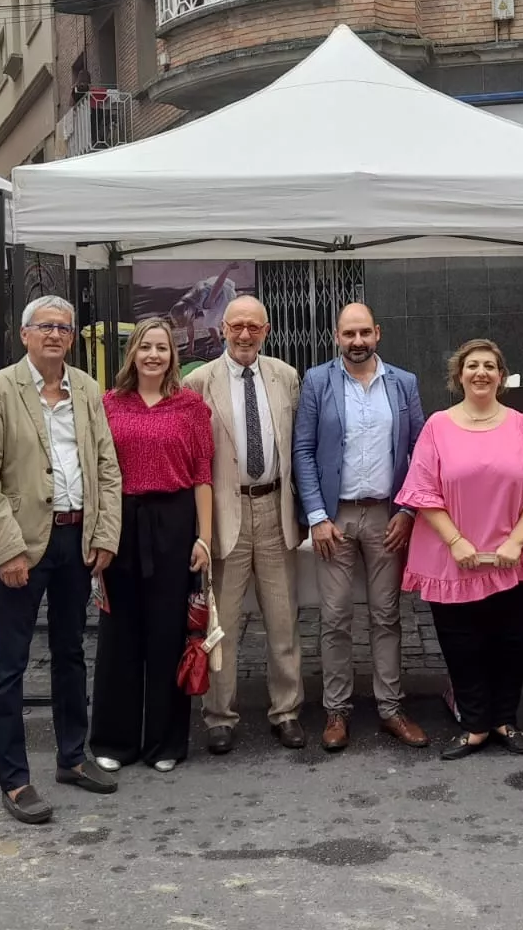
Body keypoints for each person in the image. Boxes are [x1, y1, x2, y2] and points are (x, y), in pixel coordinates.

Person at [0, 298, 123, 824]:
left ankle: (73, 758)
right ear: (25, 334)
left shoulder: (84, 389)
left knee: (71, 653)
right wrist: (7, 548)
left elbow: (106, 464)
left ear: (72, 337)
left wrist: (105, 534)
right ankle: (15, 780)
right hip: (23, 544)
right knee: (9, 666)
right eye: (44, 327)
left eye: (63, 327)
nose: (54, 335)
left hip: (76, 539)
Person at [396, 339, 523, 761]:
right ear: (459, 376)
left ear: (500, 376)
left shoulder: (522, 426)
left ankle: (505, 719)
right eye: (472, 366)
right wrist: (455, 540)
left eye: (490, 366)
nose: (481, 373)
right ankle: (474, 724)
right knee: (461, 643)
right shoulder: (437, 425)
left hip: (516, 553)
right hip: (453, 555)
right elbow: (422, 490)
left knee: (513, 641)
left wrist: (515, 541)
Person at [292, 302, 429, 752]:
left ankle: (391, 709)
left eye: (364, 333)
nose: (357, 342)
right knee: (334, 617)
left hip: (387, 515)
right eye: (349, 334)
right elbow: (303, 452)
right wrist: (317, 516)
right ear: (336, 336)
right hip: (335, 517)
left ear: (378, 333)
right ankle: (337, 710)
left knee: (387, 616)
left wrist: (407, 512)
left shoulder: (403, 383)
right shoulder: (317, 380)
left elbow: (419, 453)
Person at [91, 317, 214, 772]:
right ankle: (114, 740)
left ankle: (165, 743)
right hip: (120, 521)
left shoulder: (190, 407)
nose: (153, 355)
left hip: (175, 522)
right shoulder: (108, 404)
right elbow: (97, 470)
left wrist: (205, 537)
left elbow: (203, 476)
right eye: (145, 347)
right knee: (119, 634)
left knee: (168, 634)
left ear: (173, 355)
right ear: (132, 353)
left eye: (162, 347)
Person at [183, 296, 306, 753]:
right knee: (224, 623)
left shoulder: (285, 376)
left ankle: (287, 710)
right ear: (222, 330)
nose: (245, 334)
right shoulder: (198, 382)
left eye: (254, 327)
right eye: (236, 326)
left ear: (267, 330)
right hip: (225, 512)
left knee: (283, 619)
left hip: (275, 509)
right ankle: (219, 715)